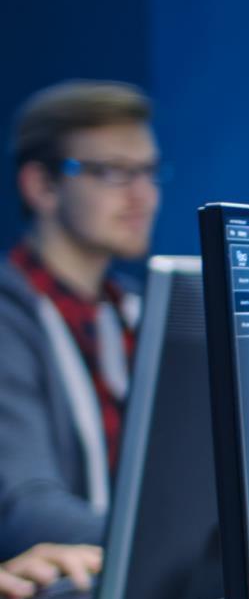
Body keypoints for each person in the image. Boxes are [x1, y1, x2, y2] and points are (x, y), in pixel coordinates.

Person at [0, 80, 161, 561]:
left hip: (141, 596)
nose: (143, 196)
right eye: (114, 172)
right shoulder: (10, 317)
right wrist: (174, 547)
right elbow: (23, 513)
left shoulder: (140, 310)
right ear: (42, 186)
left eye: (149, 172)